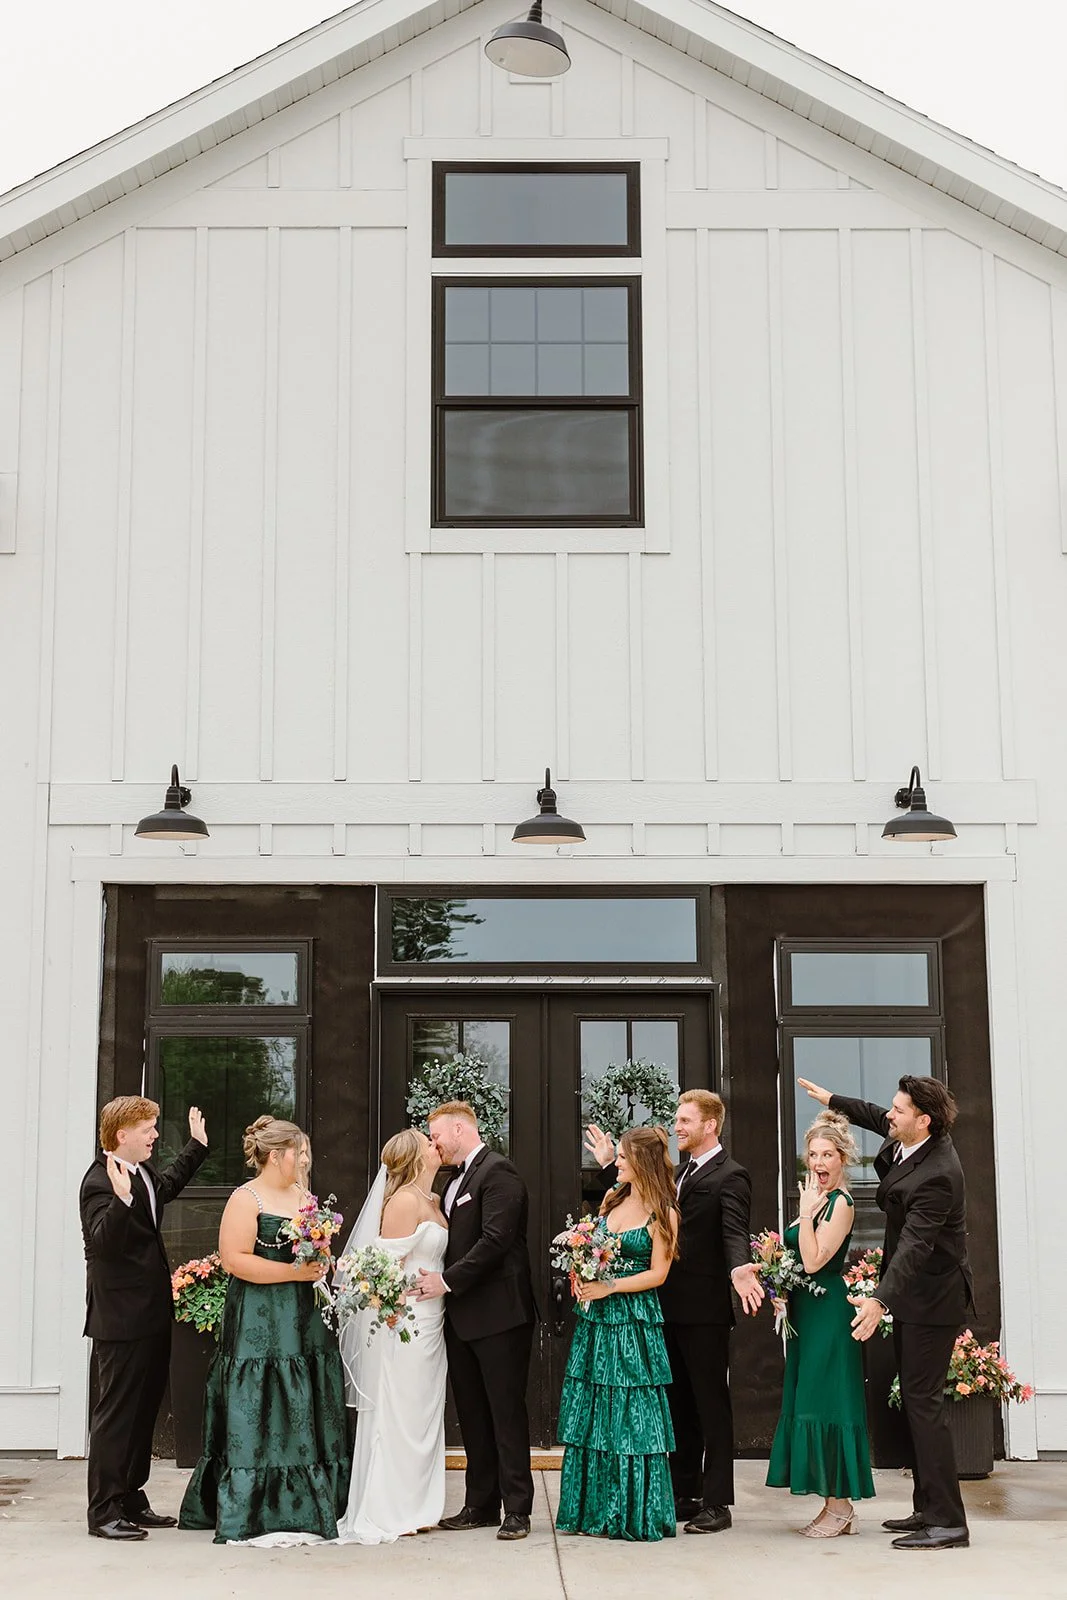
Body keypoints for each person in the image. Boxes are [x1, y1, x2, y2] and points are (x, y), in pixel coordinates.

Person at [799, 1073, 974, 1552]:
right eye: (893, 1109)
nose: (888, 1115)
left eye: (899, 1111)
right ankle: (926, 1507)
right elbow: (875, 1115)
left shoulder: (939, 1173)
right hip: (911, 1294)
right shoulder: (908, 1136)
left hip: (932, 1299)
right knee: (915, 1403)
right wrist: (832, 1100)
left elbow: (916, 1246)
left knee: (924, 1404)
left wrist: (879, 1300)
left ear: (925, 1121)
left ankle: (948, 1522)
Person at [586, 1089, 763, 1534]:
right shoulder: (679, 1173)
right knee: (679, 1404)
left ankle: (718, 1502)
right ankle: (686, 1492)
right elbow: (639, 1199)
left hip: (703, 1311)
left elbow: (733, 1231)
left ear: (710, 1125)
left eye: (686, 1121)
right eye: (677, 1120)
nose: (677, 1128)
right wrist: (612, 1165)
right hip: (663, 1307)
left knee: (710, 1404)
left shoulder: (732, 1175)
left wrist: (740, 1266)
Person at [178, 1116, 350, 1544]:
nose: (306, 1158)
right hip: (260, 1314)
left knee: (304, 1389)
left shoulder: (301, 1194)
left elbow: (314, 1252)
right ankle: (252, 1504)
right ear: (277, 1155)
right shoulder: (246, 1198)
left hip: (303, 1315)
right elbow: (234, 1259)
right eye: (300, 1151)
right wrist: (294, 1271)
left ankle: (312, 1501)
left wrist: (323, 1262)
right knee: (262, 1394)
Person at [79, 1095, 208, 1540]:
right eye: (149, 1128)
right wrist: (119, 1200)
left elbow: (165, 1188)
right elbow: (103, 1244)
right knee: (116, 1415)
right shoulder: (99, 1182)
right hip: (119, 1322)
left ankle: (131, 1498)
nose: (156, 1135)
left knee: (144, 1412)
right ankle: (104, 1511)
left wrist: (196, 1147)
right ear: (123, 1134)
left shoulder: (143, 1174)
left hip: (153, 1315)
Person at [415, 1101, 537, 1541]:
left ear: (461, 1129)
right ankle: (480, 1504)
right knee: (472, 1414)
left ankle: (517, 1509)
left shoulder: (498, 1172)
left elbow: (495, 1242)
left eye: (437, 1136)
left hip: (501, 1315)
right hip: (461, 1317)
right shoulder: (452, 1179)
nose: (434, 1144)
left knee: (505, 1413)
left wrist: (445, 1281)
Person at [555, 1125, 680, 1541]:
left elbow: (659, 1273)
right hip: (596, 1320)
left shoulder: (664, 1211)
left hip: (633, 1320)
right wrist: (581, 1271)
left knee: (630, 1413)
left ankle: (630, 1513)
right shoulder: (613, 1198)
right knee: (594, 1409)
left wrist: (610, 1285)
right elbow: (593, 1246)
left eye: (623, 1158)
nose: (616, 1163)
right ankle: (592, 1510)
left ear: (641, 1162)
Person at [765, 1109, 875, 1536]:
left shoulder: (840, 1204)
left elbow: (813, 1261)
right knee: (809, 1402)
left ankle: (841, 1506)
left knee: (829, 1404)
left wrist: (807, 1215)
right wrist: (777, 1287)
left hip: (830, 1317)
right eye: (813, 1154)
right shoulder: (815, 1200)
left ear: (843, 1158)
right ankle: (832, 1504)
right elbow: (793, 1261)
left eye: (827, 1154)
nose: (818, 1163)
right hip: (807, 1317)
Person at [335, 1128, 448, 1543]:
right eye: (428, 1142)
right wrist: (395, 1304)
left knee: (423, 1412)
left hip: (435, 1322)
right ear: (415, 1157)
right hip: (407, 1324)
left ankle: (420, 1505)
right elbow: (377, 1267)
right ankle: (391, 1507)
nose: (436, 1145)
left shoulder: (434, 1200)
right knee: (400, 1412)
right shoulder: (402, 1201)